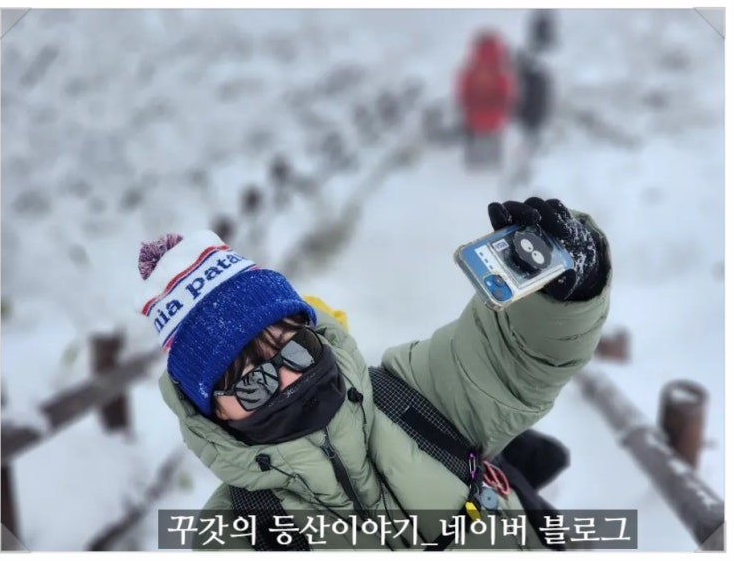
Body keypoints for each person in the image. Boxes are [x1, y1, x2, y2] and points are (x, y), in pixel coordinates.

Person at [138, 196, 611, 550]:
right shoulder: (236, 537)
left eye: (295, 351)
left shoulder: (410, 395)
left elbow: (514, 355)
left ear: (315, 334)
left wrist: (563, 294)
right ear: (212, 411)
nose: (286, 381)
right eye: (252, 383)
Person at [455, 31, 517, 168]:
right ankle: (493, 161)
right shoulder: (501, 72)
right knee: (494, 136)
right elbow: (507, 95)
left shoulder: (469, 71)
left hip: (473, 118)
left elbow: (462, 93)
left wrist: (467, 108)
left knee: (471, 132)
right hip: (495, 118)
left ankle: (472, 161)